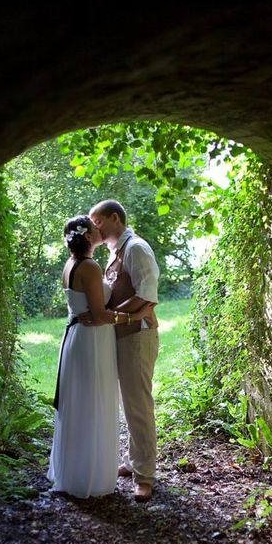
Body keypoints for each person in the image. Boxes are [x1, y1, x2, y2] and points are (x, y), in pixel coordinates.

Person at [47, 215, 152, 498]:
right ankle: (90, 476)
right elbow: (99, 315)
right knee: (93, 403)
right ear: (89, 236)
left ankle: (76, 470)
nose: (99, 228)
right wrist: (136, 316)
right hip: (92, 339)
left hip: (77, 338)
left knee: (81, 403)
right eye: (95, 227)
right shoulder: (91, 267)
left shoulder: (70, 265)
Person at [84, 200, 159, 502]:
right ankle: (133, 461)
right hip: (121, 336)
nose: (93, 228)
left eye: (97, 222)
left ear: (115, 219)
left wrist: (111, 315)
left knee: (138, 406)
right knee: (129, 404)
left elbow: (147, 297)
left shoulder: (136, 248)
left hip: (137, 337)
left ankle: (145, 476)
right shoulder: (114, 252)